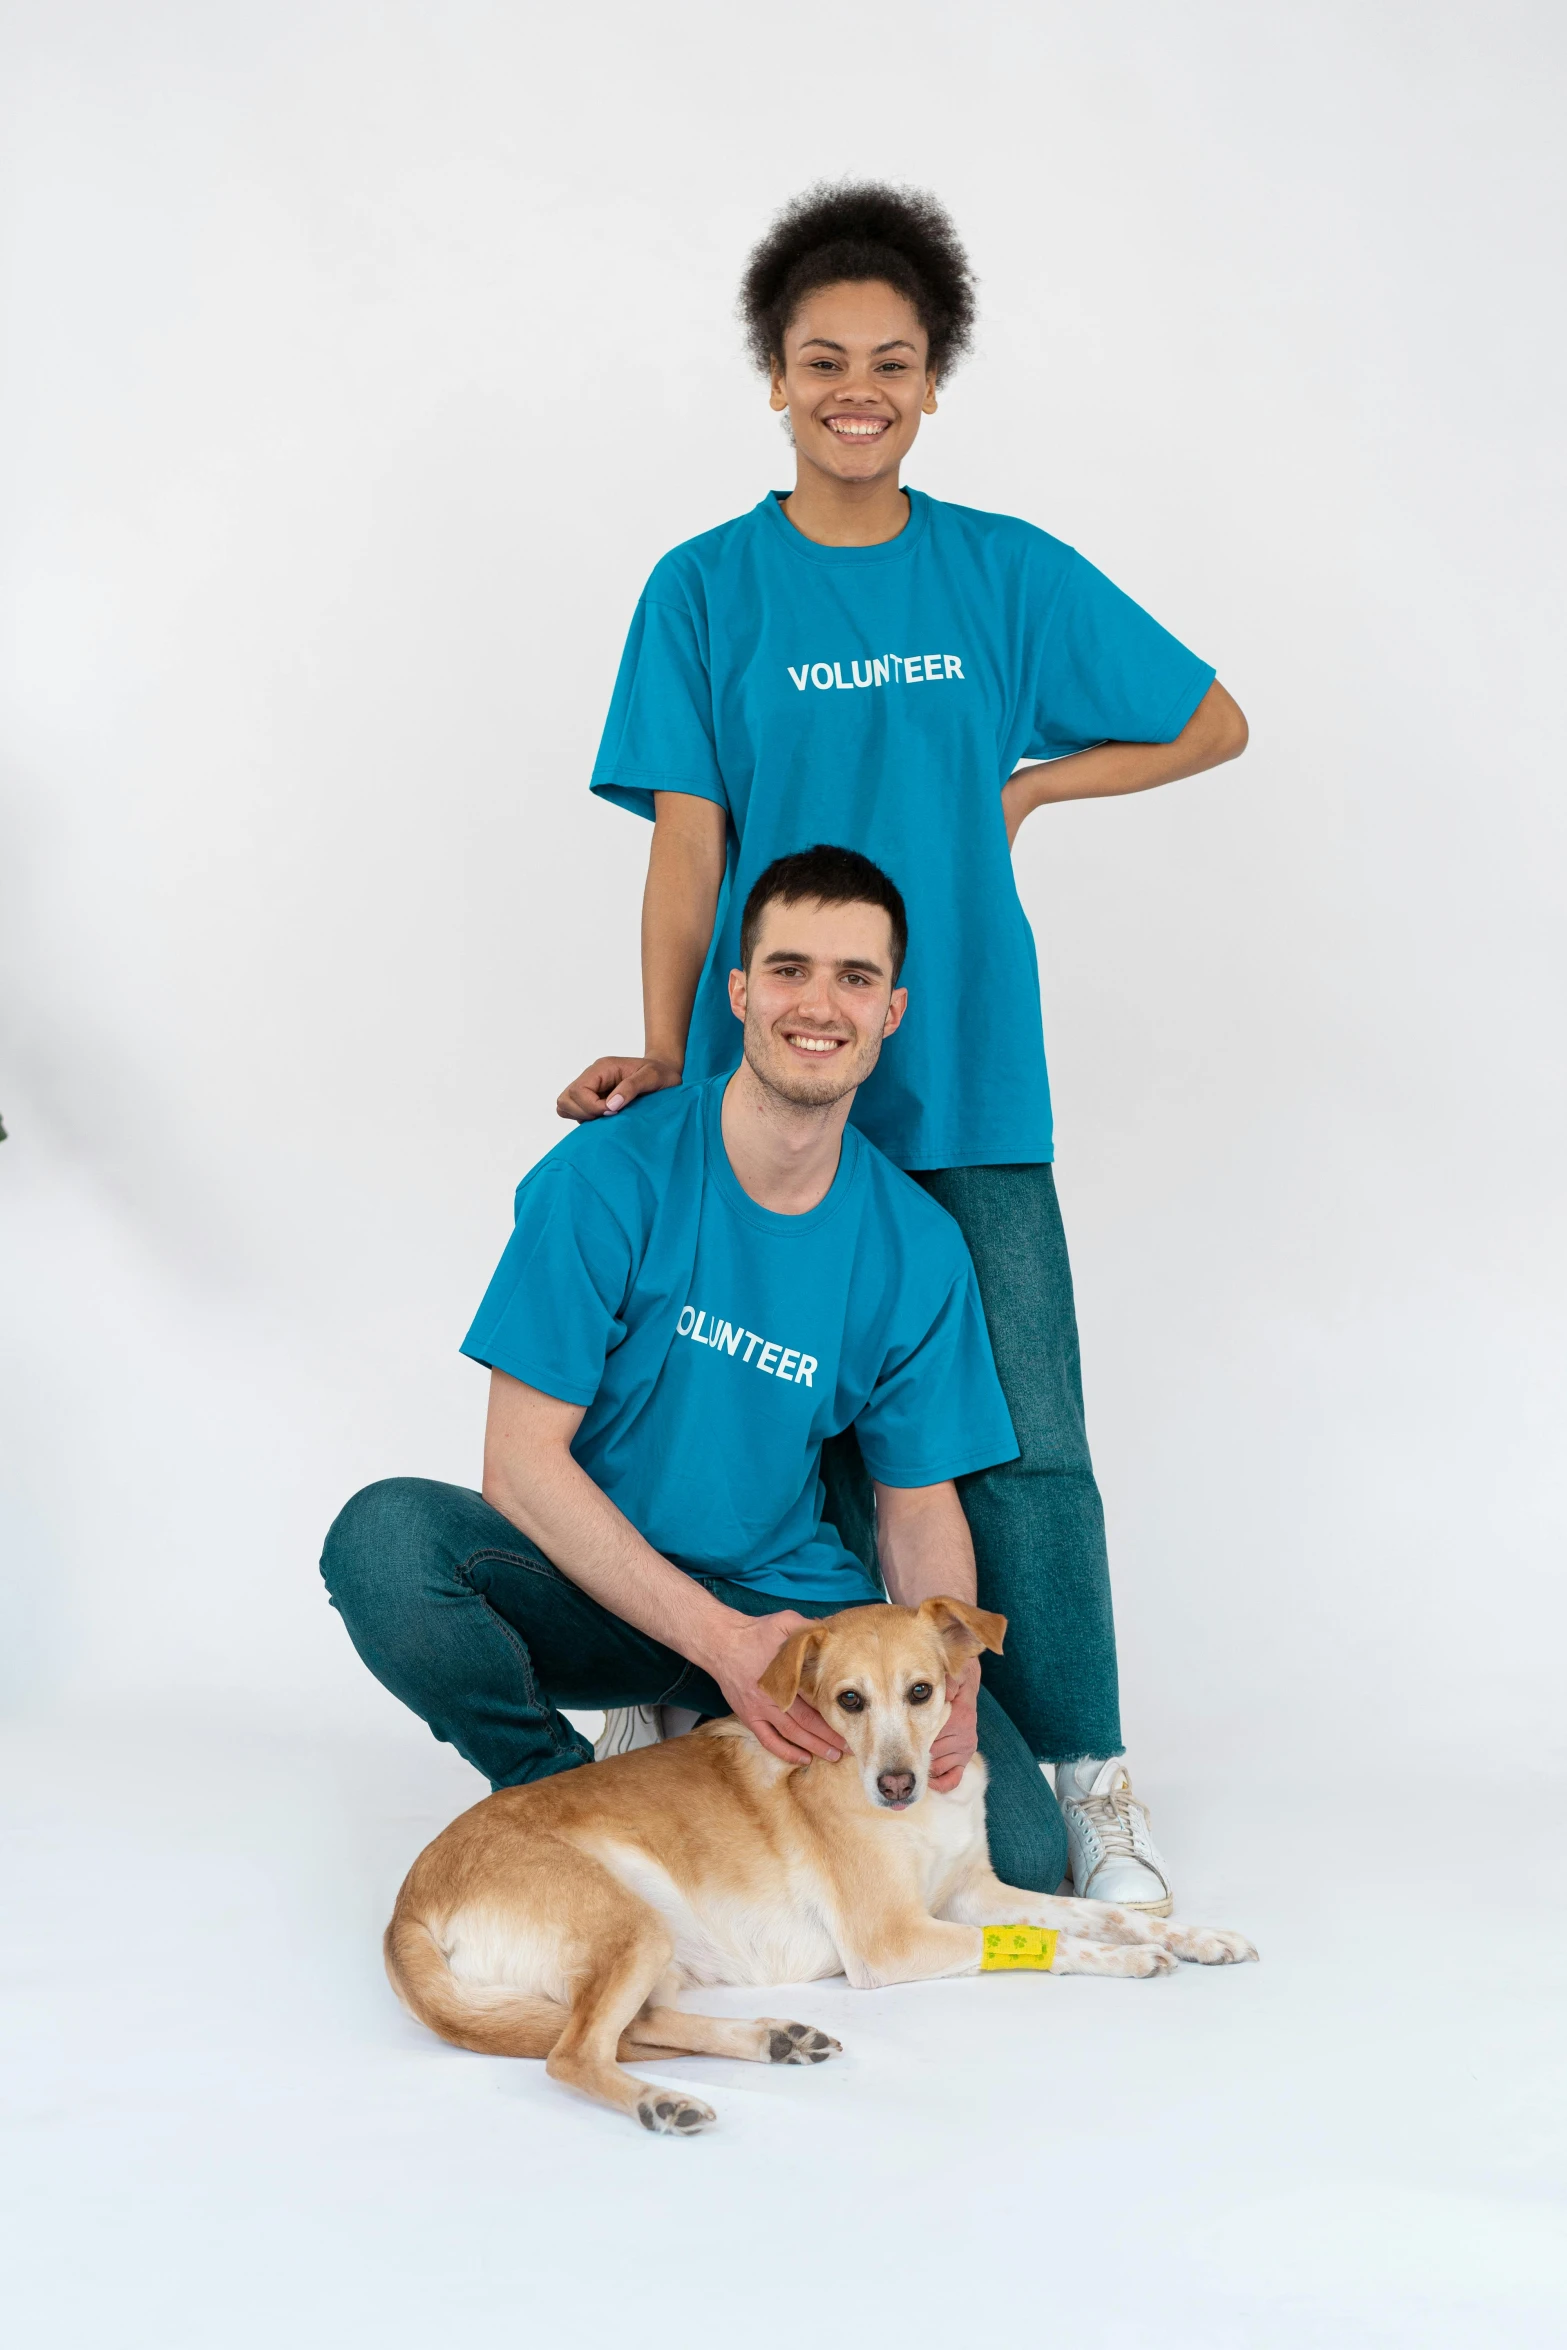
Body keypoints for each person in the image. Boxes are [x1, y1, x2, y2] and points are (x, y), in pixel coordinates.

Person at [556, 183, 1250, 1913]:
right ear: (772, 382)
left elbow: (1209, 719)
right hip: (769, 1083)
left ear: (931, 384)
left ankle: (1085, 1782)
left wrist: (1024, 785)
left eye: (891, 362)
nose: (854, 388)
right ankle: (701, 1708)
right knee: (743, 1410)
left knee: (1024, 1445)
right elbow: (686, 851)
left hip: (961, 1080)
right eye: (819, 361)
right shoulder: (705, 588)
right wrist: (666, 1057)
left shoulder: (999, 573)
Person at [322, 847, 1075, 1894]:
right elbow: (519, 1467)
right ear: (738, 989)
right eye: (789, 969)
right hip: (603, 1588)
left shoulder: (916, 1244)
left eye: (855, 978)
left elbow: (916, 1509)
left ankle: (705, 1744)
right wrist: (721, 1643)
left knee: (1032, 1863)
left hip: (794, 1624)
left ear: (891, 1011)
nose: (820, 1003)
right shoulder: (605, 1176)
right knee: (384, 1541)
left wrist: (946, 1677)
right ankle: (563, 1801)